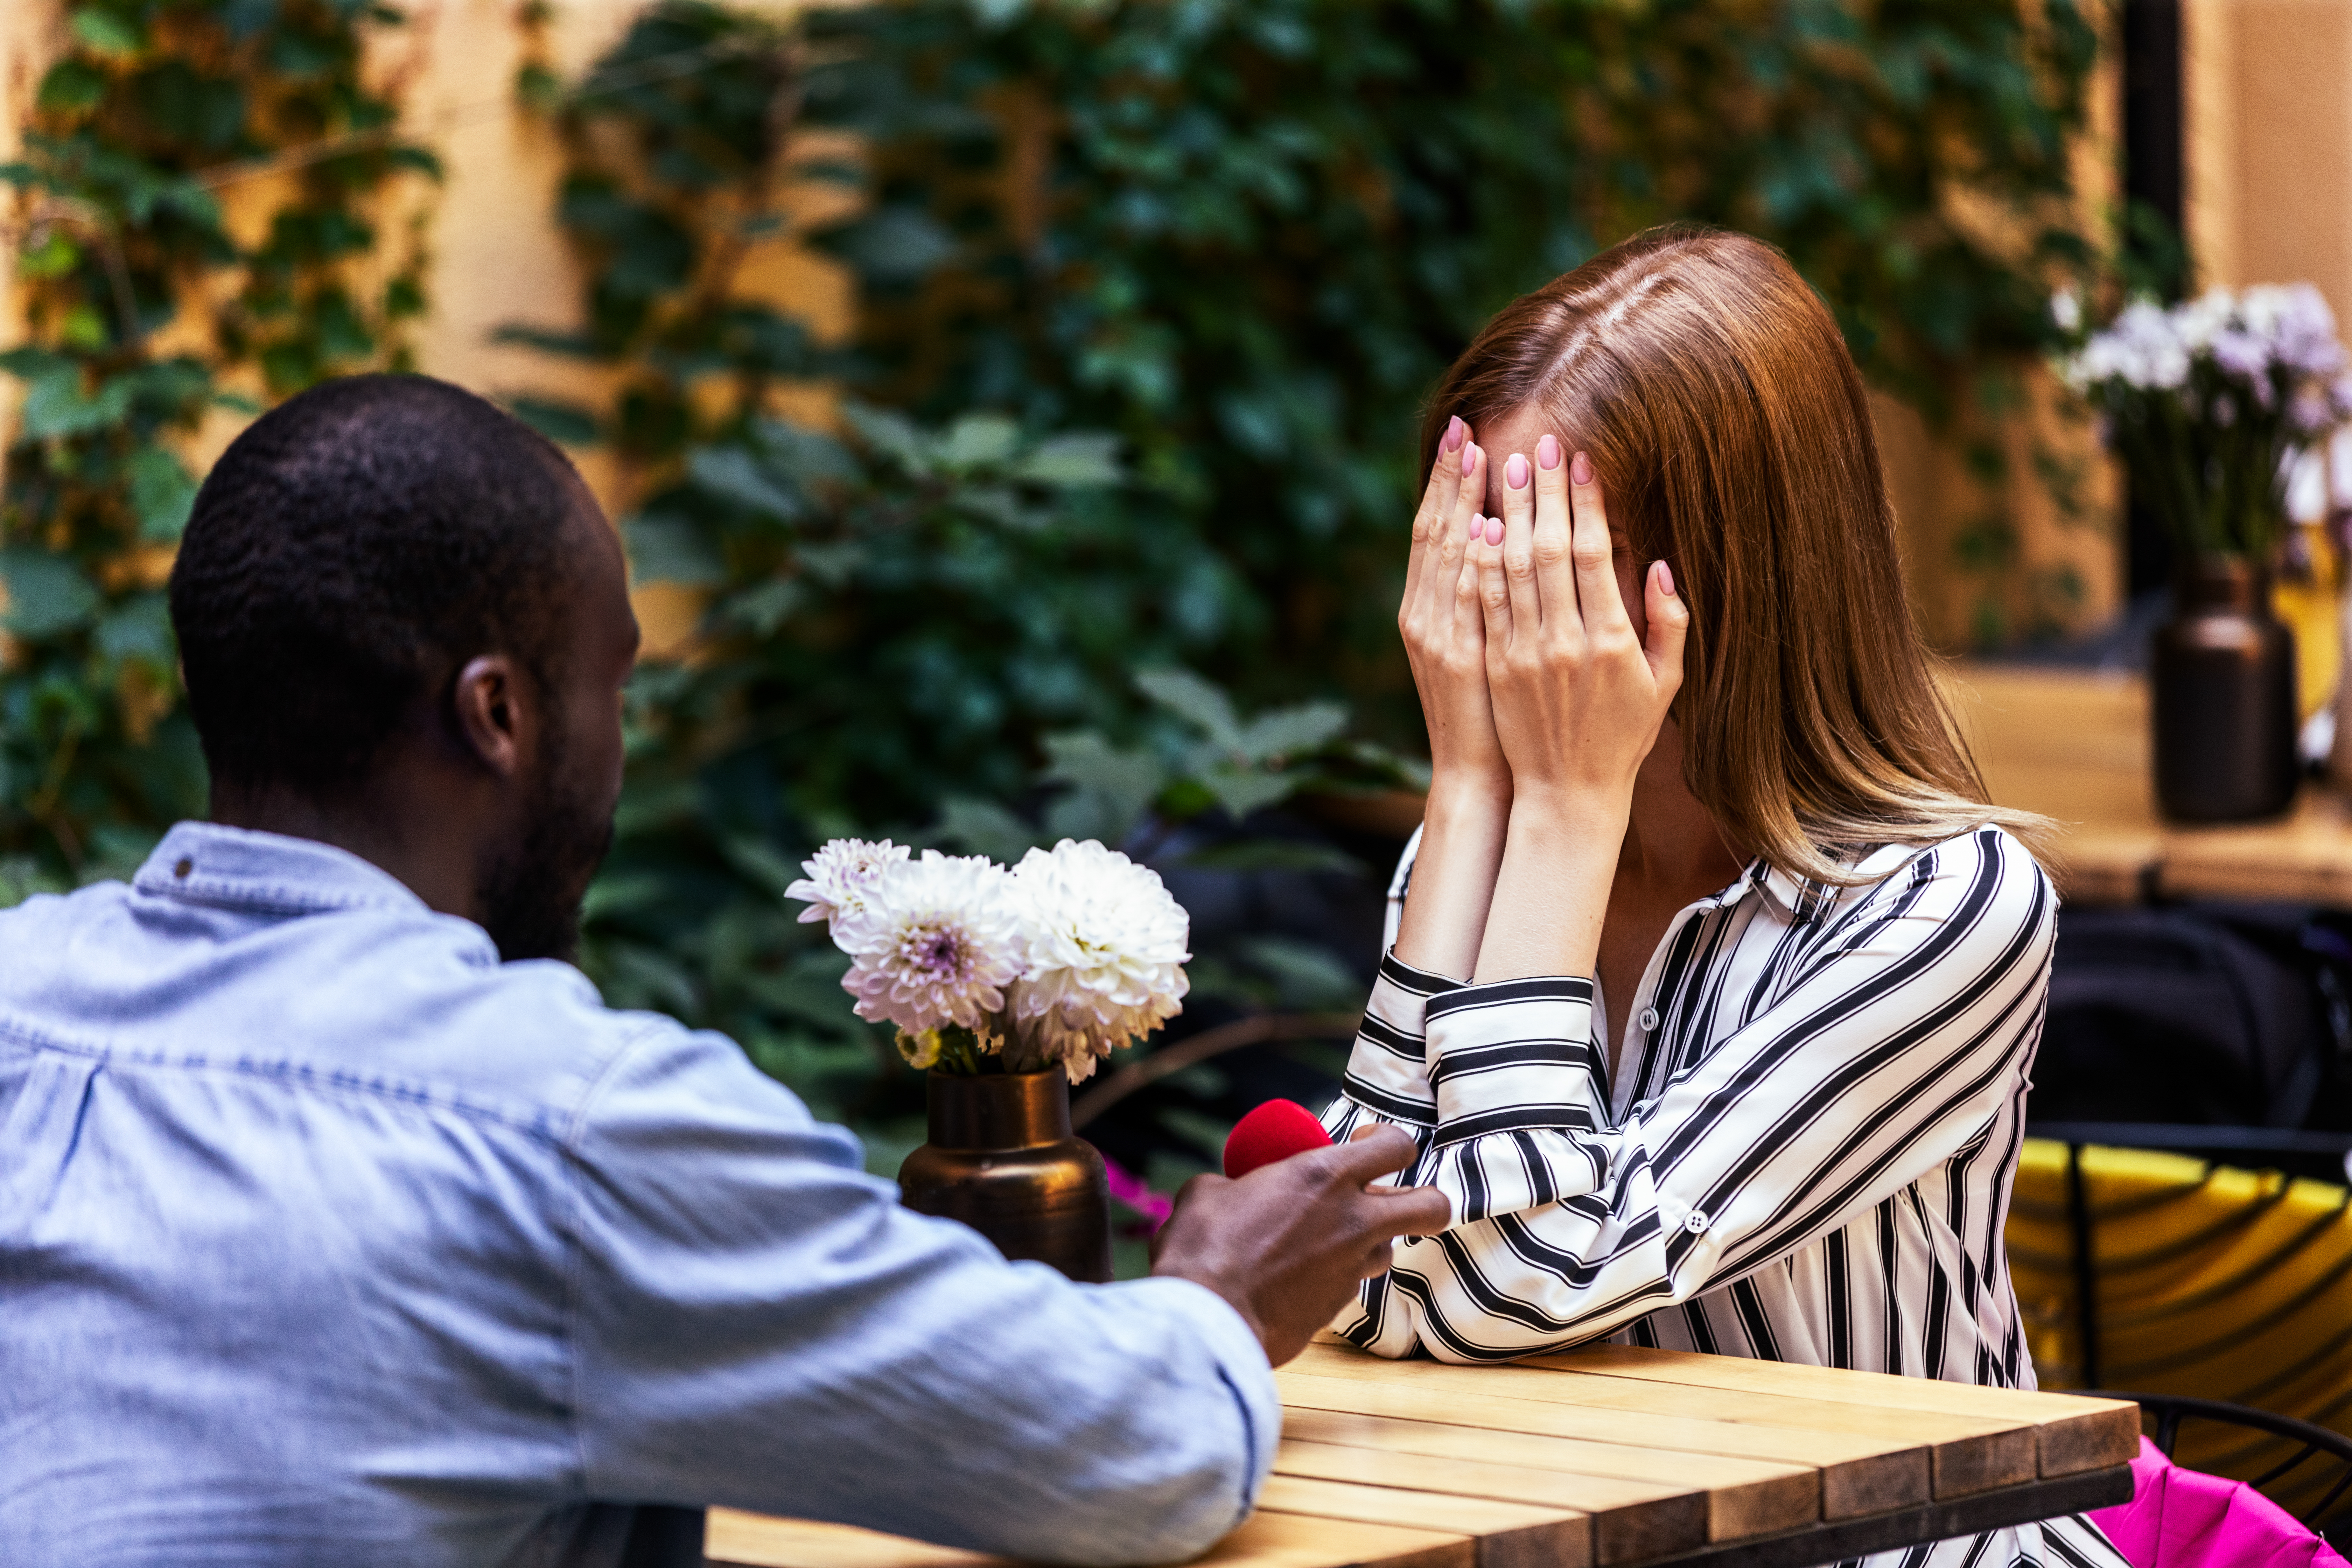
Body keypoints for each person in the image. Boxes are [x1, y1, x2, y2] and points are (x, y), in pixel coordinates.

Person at [0, 373, 1451, 1568]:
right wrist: (1217, 1295)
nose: (619, 748)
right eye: (613, 682)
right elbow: (1126, 1456)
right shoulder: (567, 1118)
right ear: (499, 715)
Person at [1318, 225, 2126, 1568]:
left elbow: (1537, 1283)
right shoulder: (1469, 857)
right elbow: (1358, 1269)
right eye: (1484, 548)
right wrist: (1468, 788)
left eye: (1561, 565)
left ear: (1738, 582)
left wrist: (1568, 807)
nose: (1506, 613)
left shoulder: (1943, 908)